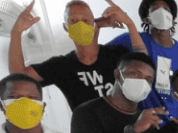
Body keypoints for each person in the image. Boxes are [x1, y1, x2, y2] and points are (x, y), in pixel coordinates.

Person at [9, 0, 146, 112]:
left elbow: (144, 64)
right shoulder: (61, 66)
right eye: (73, 21)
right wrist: (16, 32)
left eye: (85, 20)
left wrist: (130, 24)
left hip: (131, 131)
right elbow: (18, 75)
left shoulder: (116, 54)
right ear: (66, 27)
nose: (80, 25)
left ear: (94, 26)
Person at [108, 0, 178, 122]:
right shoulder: (131, 39)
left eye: (166, 9)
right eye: (155, 9)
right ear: (146, 19)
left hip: (176, 121)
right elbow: (98, 55)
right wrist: (99, 25)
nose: (162, 12)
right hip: (144, 121)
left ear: (172, 19)